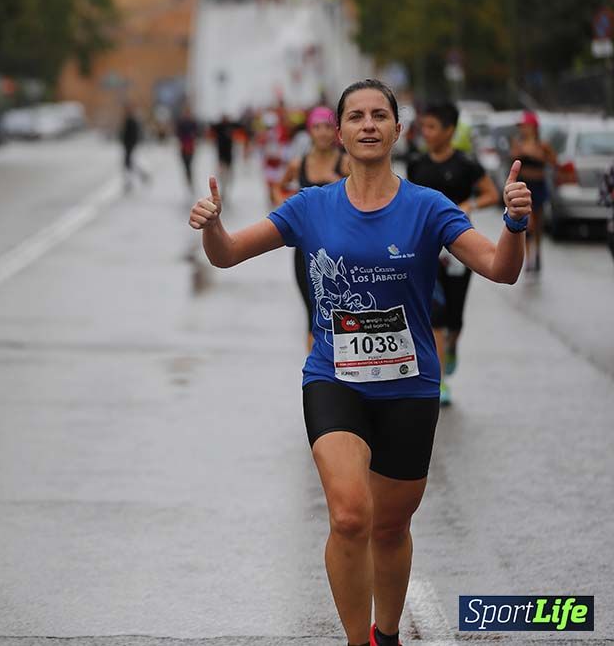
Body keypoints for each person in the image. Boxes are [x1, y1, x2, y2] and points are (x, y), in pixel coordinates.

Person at [188, 79, 531, 646]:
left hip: (409, 385)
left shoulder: (429, 207)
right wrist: (214, 226)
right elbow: (226, 255)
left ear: (397, 130)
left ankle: (387, 634)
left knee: (390, 527)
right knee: (350, 516)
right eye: (356, 116)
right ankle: (357, 641)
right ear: (340, 132)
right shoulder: (310, 206)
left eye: (379, 115)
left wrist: (515, 226)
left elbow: (501, 268)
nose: (368, 124)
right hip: (334, 379)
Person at [406, 103, 499, 406]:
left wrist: (470, 205)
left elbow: (491, 194)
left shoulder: (466, 164)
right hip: (425, 248)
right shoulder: (417, 164)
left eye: (432, 127)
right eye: (424, 126)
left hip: (459, 246)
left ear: (449, 130)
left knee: (455, 318)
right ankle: (440, 380)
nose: (426, 133)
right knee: (434, 313)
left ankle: (452, 344)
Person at [277, 105, 350, 353]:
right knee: (313, 310)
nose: (323, 133)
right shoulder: (299, 164)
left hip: (341, 247)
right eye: (317, 127)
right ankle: (316, 366)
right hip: (306, 247)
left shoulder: (346, 163)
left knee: (342, 307)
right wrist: (286, 206)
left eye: (328, 127)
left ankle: (344, 361)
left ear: (337, 131)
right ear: (310, 131)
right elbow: (279, 186)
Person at [510, 111, 555, 271]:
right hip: (525, 185)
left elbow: (553, 161)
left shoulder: (542, 145)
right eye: (521, 127)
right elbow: (513, 157)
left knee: (538, 223)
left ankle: (538, 254)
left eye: (526, 126)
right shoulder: (517, 143)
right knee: (527, 222)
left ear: (534, 127)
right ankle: (528, 258)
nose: (523, 129)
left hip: (539, 186)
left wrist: (537, 154)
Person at [119, 103, 149, 192]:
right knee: (129, 164)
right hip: (128, 146)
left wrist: (130, 144)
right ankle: (140, 177)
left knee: (128, 164)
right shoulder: (128, 120)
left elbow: (132, 135)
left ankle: (130, 182)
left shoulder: (131, 121)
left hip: (129, 146)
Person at [210, 114, 240, 190]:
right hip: (221, 155)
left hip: (228, 155)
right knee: (222, 173)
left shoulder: (230, 127)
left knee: (227, 173)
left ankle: (226, 186)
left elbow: (239, 126)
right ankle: (223, 186)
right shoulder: (219, 127)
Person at [175, 105, 199, 193]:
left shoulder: (193, 122)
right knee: (186, 165)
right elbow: (178, 133)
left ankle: (190, 179)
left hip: (190, 146)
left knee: (189, 164)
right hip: (184, 146)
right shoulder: (181, 122)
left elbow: (197, 133)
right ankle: (188, 179)